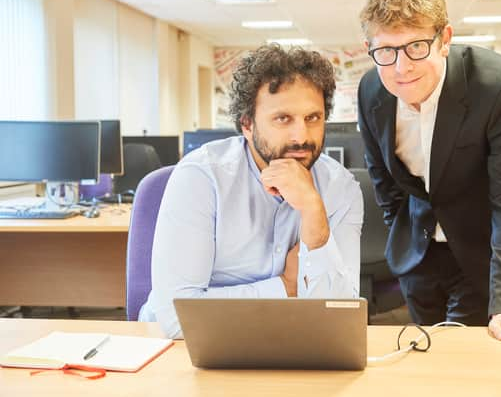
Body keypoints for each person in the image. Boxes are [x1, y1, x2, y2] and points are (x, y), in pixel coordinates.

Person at [357, 0, 501, 346]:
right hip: (420, 257)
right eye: (386, 51)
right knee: (428, 356)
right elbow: (385, 182)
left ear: (445, 40)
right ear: (370, 48)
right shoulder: (372, 89)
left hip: (489, 253)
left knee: (476, 359)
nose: (401, 67)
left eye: (416, 47)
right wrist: (401, 234)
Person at [139, 45, 364, 338]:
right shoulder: (201, 177)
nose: (302, 136)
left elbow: (341, 316)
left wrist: (313, 210)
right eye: (283, 119)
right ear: (247, 124)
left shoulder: (340, 188)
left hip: (293, 341)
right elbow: (178, 318)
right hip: (185, 352)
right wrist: (287, 288)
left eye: (313, 118)